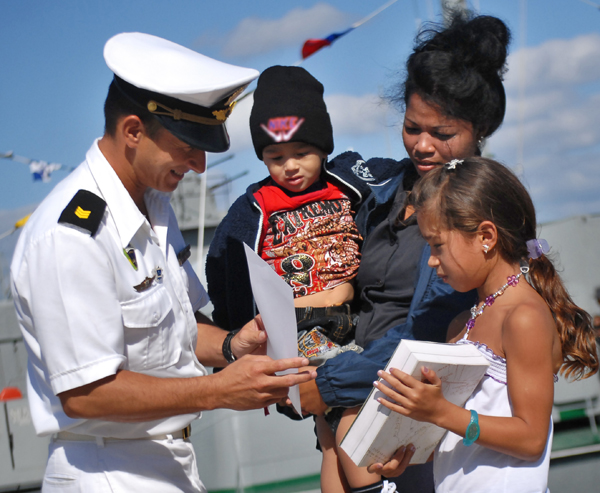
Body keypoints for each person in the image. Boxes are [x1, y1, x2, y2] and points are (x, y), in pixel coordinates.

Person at [10, 33, 316, 493]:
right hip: (109, 471)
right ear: (133, 131)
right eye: (188, 144)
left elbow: (181, 330)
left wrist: (237, 346)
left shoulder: (151, 207)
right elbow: (85, 393)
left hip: (167, 463)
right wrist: (219, 392)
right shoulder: (71, 236)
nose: (199, 165)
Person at [284, 13, 512, 493]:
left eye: (443, 134)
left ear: (481, 128)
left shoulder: (478, 219)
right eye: (412, 127)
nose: (423, 145)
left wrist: (325, 386)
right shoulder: (381, 194)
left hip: (410, 424)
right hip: (347, 401)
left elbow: (430, 334)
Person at [206, 65, 402, 490]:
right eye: (276, 158)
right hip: (300, 333)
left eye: (302, 153)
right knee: (352, 409)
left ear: (323, 146)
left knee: (329, 436)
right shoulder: (253, 208)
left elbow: (403, 178)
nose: (290, 167)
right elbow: (225, 267)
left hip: (354, 319)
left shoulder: (349, 180)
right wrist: (243, 332)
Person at [370, 156, 599, 492]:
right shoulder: (461, 323)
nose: (432, 260)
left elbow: (531, 437)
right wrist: (409, 450)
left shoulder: (524, 317)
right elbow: (462, 432)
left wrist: (440, 412)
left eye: (436, 245)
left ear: (486, 236)